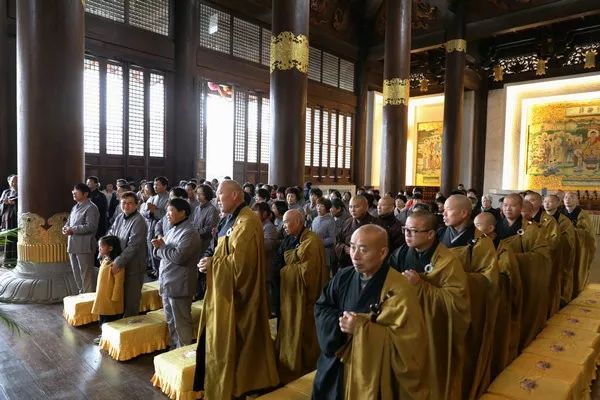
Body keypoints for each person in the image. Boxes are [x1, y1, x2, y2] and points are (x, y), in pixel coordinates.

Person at [312, 224, 429, 400]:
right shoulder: (343, 276)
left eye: (363, 250)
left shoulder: (400, 289)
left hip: (372, 373)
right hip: (337, 362)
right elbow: (322, 306)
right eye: (352, 247)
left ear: (382, 253)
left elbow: (408, 343)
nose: (355, 255)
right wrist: (340, 324)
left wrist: (360, 329)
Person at [193, 180, 279, 398]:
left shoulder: (247, 222)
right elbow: (222, 249)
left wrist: (213, 265)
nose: (216, 199)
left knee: (237, 347)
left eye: (220, 194)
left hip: (239, 299)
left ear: (234, 195)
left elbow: (241, 266)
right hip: (224, 294)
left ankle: (234, 388)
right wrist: (209, 259)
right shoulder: (233, 218)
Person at [388, 211, 470, 400]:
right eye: (405, 229)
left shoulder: (448, 261)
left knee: (428, 375)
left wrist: (421, 286)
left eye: (413, 231)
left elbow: (457, 302)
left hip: (432, 330)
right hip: (403, 324)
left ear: (431, 234)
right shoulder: (401, 252)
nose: (407, 234)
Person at [274, 209, 328, 383]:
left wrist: (284, 270)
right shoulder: (295, 239)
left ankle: (303, 372)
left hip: (306, 299)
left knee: (304, 334)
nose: (283, 226)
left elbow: (307, 274)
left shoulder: (311, 241)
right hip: (293, 298)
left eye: (287, 222)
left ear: (297, 222)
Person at [496, 193, 550, 351]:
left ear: (521, 208)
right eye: (505, 205)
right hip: (499, 277)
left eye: (512, 206)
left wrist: (512, 260)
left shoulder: (532, 229)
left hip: (522, 278)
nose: (508, 208)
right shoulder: (495, 226)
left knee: (519, 312)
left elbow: (542, 256)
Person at [152, 198, 201, 348]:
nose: (167, 214)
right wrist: (160, 248)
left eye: (171, 211)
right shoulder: (172, 229)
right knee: (171, 320)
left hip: (180, 283)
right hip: (167, 281)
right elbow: (160, 253)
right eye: (167, 211)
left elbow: (179, 257)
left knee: (181, 321)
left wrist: (162, 248)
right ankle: (174, 349)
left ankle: (183, 353)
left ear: (183, 213)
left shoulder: (189, 233)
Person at [106, 191, 148, 317]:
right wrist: (104, 247)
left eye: (130, 203)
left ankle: (130, 330)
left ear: (136, 205)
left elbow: (133, 245)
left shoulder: (139, 221)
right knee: (120, 296)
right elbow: (111, 234)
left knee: (131, 299)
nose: (126, 206)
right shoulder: (120, 217)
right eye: (124, 203)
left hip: (133, 264)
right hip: (119, 262)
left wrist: (118, 261)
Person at [63, 183, 100, 294]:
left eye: (76, 191)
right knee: (76, 272)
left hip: (84, 245)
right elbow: (69, 222)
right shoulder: (75, 207)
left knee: (86, 274)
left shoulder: (91, 207)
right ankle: (81, 293)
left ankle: (88, 297)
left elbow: (91, 226)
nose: (73, 193)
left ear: (85, 194)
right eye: (73, 191)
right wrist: (65, 228)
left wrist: (72, 229)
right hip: (73, 244)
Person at [544, 194, 576, 305]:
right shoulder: (540, 218)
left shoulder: (564, 221)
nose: (547, 204)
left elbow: (569, 240)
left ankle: (560, 297)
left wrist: (553, 241)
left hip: (559, 253)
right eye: (545, 201)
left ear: (558, 204)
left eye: (550, 201)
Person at [91, 235, 125, 344]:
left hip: (110, 298)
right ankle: (103, 336)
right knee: (103, 318)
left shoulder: (116, 264)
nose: (99, 249)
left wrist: (115, 297)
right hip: (103, 297)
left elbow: (119, 282)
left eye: (101, 246)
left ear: (110, 248)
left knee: (109, 320)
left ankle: (108, 339)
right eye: (99, 247)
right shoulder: (105, 260)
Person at [562, 191, 596, 297]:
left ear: (577, 200)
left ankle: (576, 288)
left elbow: (587, 233)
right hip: (563, 246)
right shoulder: (560, 212)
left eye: (571, 197)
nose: (568, 199)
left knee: (576, 268)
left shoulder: (582, 214)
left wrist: (570, 230)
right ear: (563, 200)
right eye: (566, 197)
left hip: (578, 247)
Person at [334, 195, 378, 275]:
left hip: (367, 267)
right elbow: (338, 241)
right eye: (350, 207)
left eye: (356, 207)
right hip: (347, 264)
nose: (352, 210)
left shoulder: (375, 224)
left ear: (366, 207)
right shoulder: (347, 222)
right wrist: (344, 248)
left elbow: (378, 247)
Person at [252, 202, 280, 314]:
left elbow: (269, 245)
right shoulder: (258, 225)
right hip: (260, 262)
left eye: (256, 212)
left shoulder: (269, 227)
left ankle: (269, 311)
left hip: (267, 262)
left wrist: (252, 241)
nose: (254, 214)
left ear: (264, 214)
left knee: (267, 288)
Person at [142, 176, 169, 277]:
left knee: (160, 247)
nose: (155, 187)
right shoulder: (152, 198)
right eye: (154, 185)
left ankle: (160, 270)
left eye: (157, 184)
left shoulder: (168, 198)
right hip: (151, 225)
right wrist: (149, 212)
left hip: (162, 227)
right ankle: (155, 268)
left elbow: (168, 215)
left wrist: (156, 211)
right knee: (150, 246)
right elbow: (144, 212)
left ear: (165, 186)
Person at [311, 197, 336, 270]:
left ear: (326, 208)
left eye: (322, 206)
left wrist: (320, 242)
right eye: (318, 205)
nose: (319, 208)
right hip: (315, 249)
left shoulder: (330, 221)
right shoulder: (315, 219)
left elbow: (332, 238)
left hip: (326, 252)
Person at [0, 174, 18, 267]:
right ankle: (7, 261)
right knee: (8, 238)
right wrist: (6, 202)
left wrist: (15, 202)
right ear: (9, 182)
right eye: (12, 181)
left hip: (16, 218)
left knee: (16, 238)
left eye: (16, 180)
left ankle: (15, 260)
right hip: (7, 218)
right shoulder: (6, 192)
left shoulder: (21, 192)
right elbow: (1, 203)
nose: (14, 182)